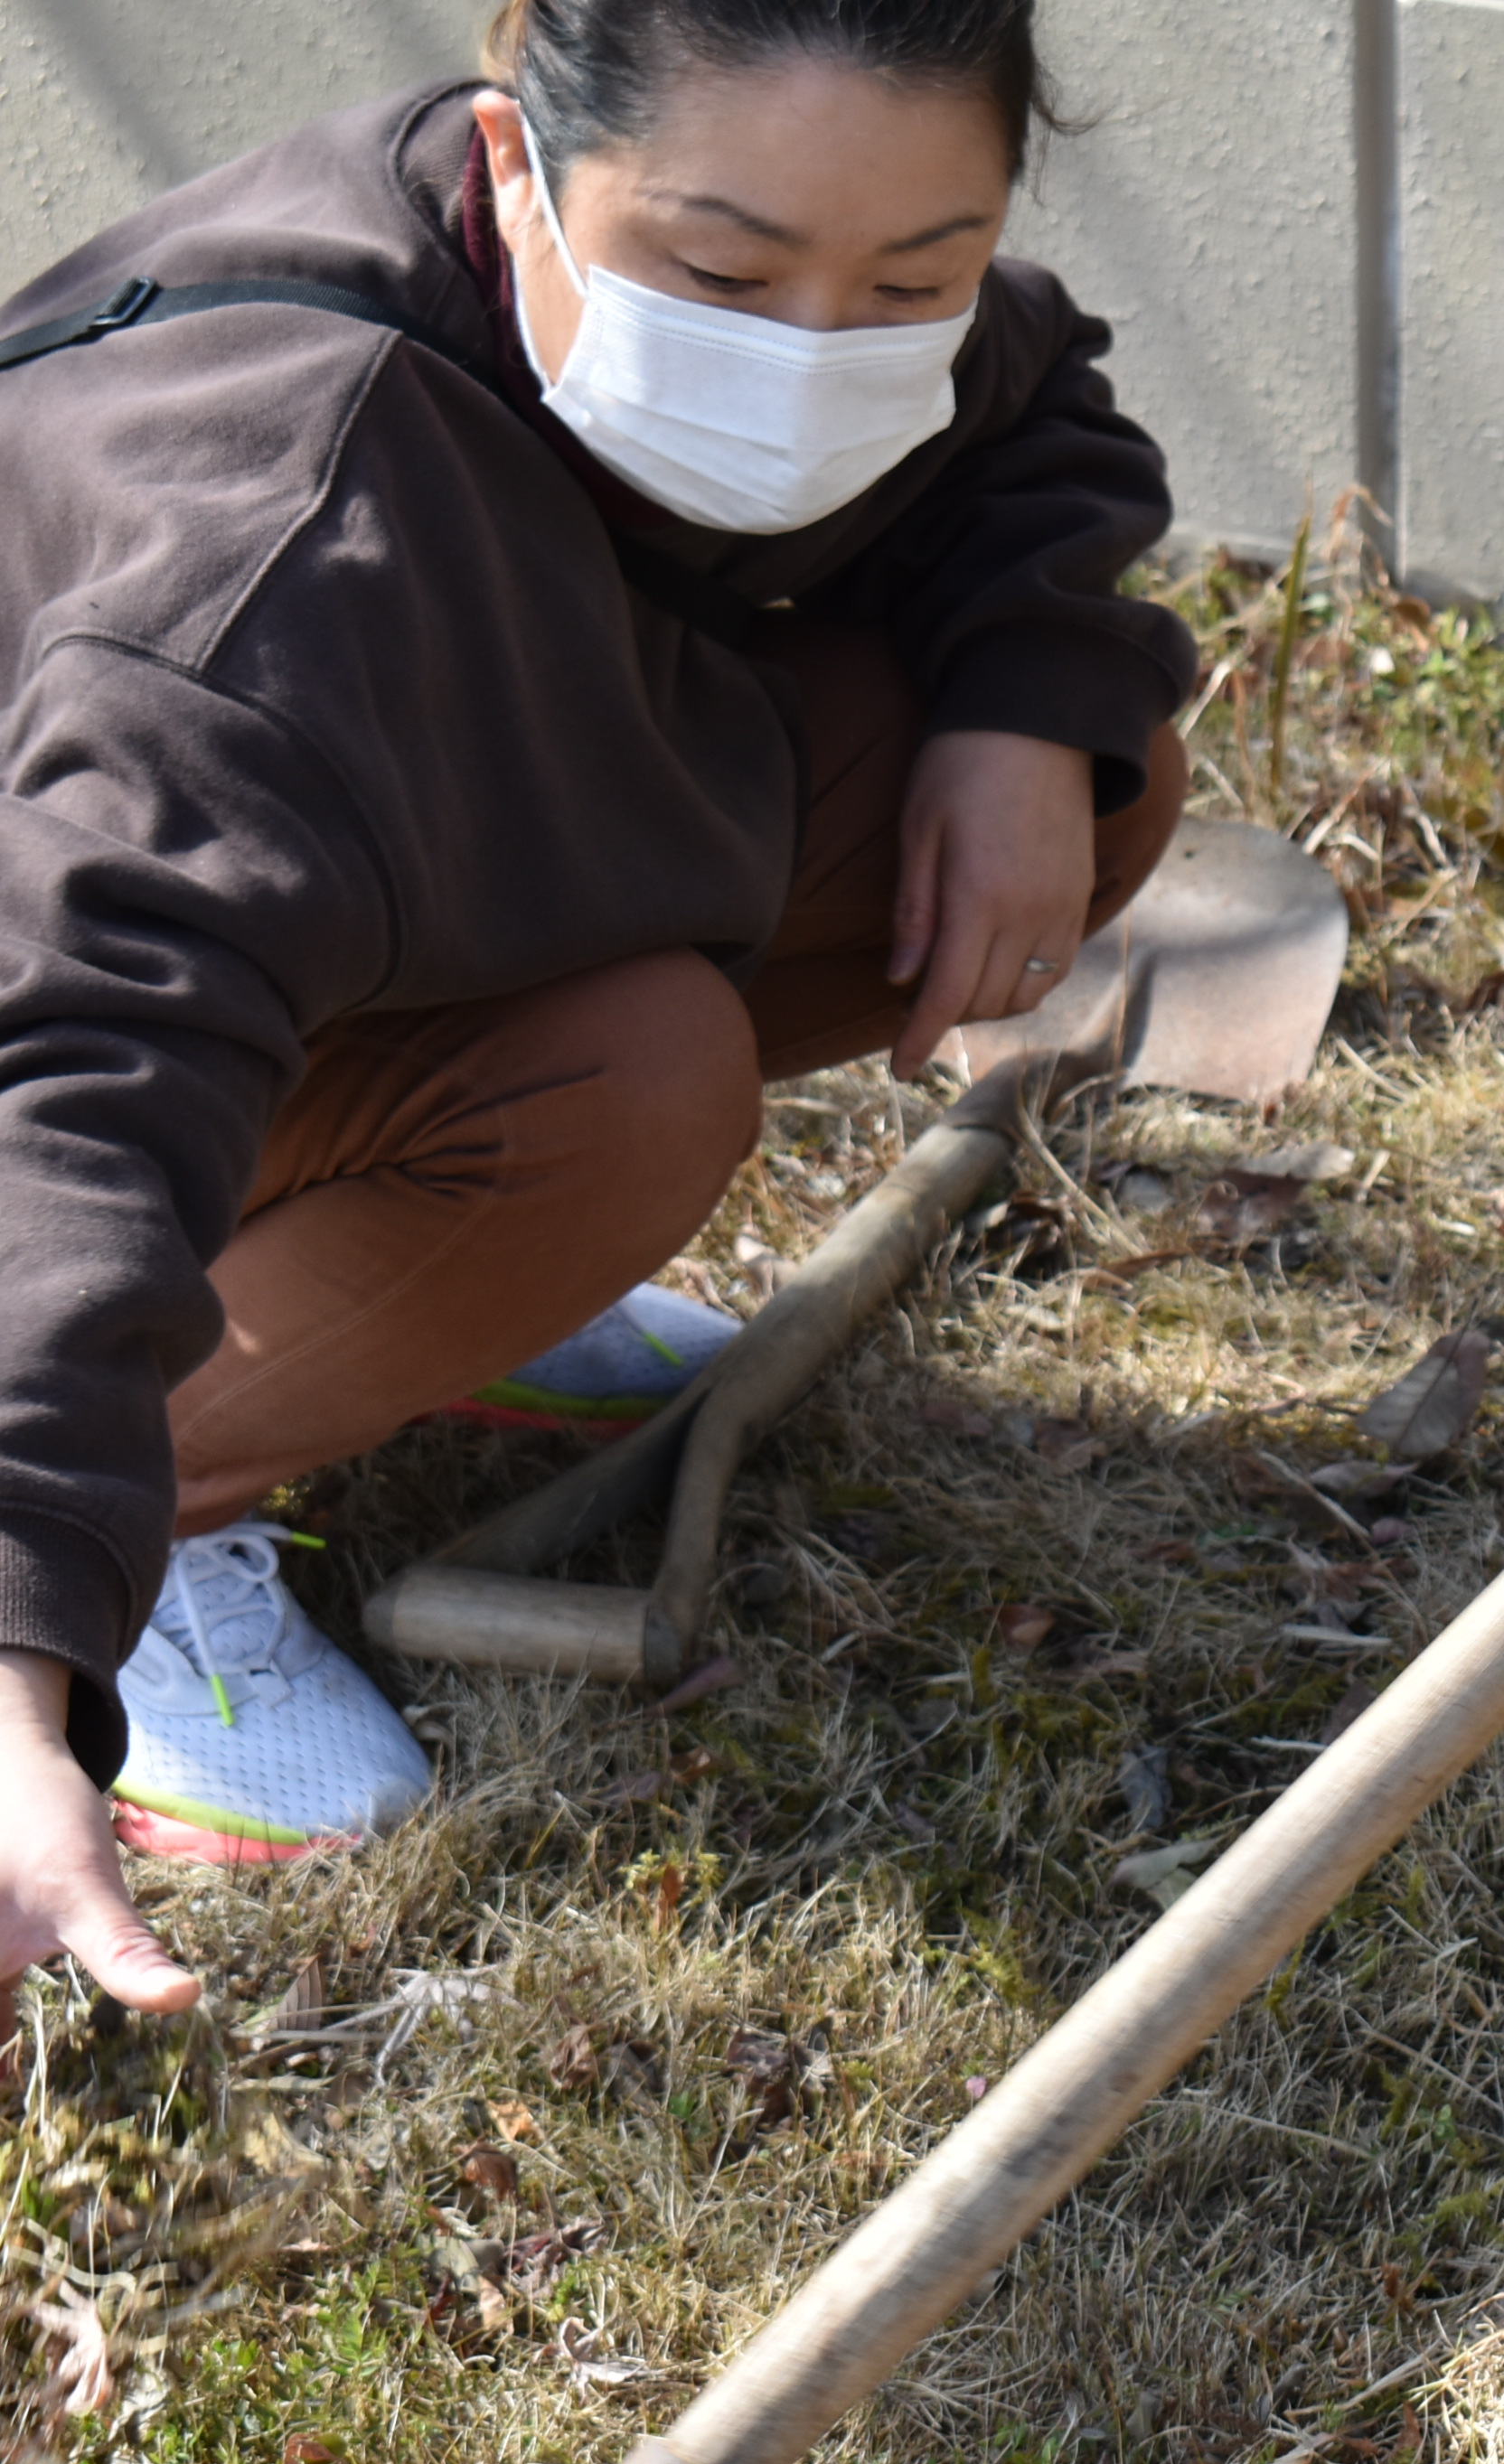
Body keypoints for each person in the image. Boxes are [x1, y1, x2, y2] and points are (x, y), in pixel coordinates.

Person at [0, 0, 1194, 2010]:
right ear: (517, 151)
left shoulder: (734, 260)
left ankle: (411, 1274)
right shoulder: (269, 547)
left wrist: (1017, 701)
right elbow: (80, 1072)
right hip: (50, 1031)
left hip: (314, 886)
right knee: (633, 1085)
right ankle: (171, 1500)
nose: (814, 352)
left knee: (1089, 759)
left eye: (916, 275)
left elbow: (1032, 406)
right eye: (721, 274)